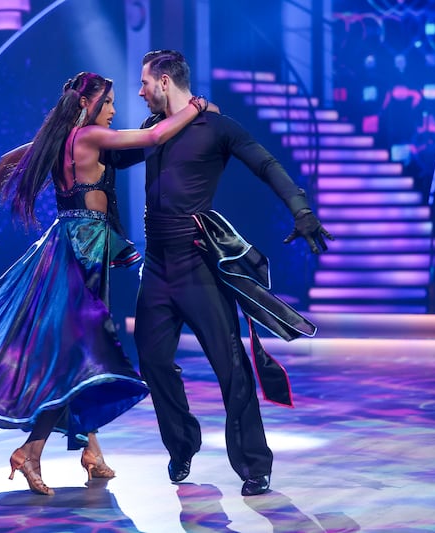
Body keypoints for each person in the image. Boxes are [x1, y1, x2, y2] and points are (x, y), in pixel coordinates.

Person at [0, 71, 213, 496]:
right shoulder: (88, 138)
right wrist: (196, 108)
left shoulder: (57, 141)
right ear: (88, 105)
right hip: (85, 249)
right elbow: (154, 139)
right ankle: (30, 451)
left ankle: (91, 451)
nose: (113, 109)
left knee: (81, 353)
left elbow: (5, 163)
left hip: (68, 241)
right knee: (78, 354)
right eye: (108, 101)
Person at [132, 50, 334, 497]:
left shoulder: (218, 128)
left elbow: (266, 164)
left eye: (144, 82)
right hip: (158, 267)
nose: (140, 91)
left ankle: (254, 465)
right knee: (151, 360)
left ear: (165, 82)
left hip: (197, 264)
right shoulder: (150, 131)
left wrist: (301, 210)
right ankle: (182, 443)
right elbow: (105, 155)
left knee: (231, 366)